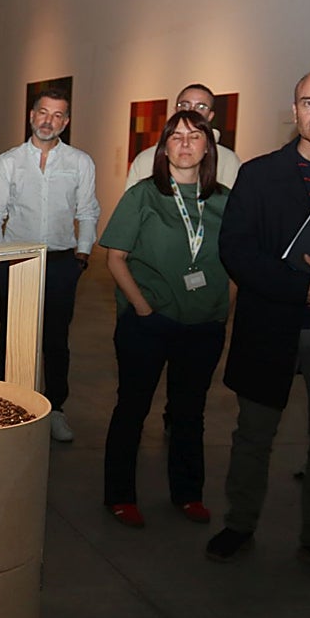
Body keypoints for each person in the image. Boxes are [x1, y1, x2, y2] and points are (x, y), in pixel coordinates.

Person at [206, 66, 310, 586]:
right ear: (293, 111)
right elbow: (235, 249)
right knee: (253, 435)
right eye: (308, 103)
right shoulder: (261, 173)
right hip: (270, 323)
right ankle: (240, 524)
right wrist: (297, 288)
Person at [98, 111, 229, 529]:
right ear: (164, 147)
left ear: (209, 146)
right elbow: (115, 257)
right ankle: (120, 495)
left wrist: (222, 304)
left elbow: (239, 260)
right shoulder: (143, 195)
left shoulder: (224, 199)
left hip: (204, 326)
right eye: (176, 136)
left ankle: (188, 494)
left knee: (190, 413)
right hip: (148, 324)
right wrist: (142, 308)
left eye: (195, 136)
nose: (186, 144)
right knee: (132, 408)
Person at [0, 88, 100, 442]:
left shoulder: (80, 162)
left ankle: (56, 409)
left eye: (58, 115)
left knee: (55, 339)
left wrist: (82, 252)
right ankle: (2, 402)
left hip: (62, 261)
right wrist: (0, 256)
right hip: (18, 259)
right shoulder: (9, 161)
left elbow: (88, 210)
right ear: (31, 116)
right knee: (11, 334)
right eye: (43, 113)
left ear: (65, 121)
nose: (49, 121)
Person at [126, 84, 241, 190]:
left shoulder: (228, 160)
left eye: (201, 107)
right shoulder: (146, 159)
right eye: (184, 105)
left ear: (210, 116)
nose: (191, 110)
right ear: (175, 110)